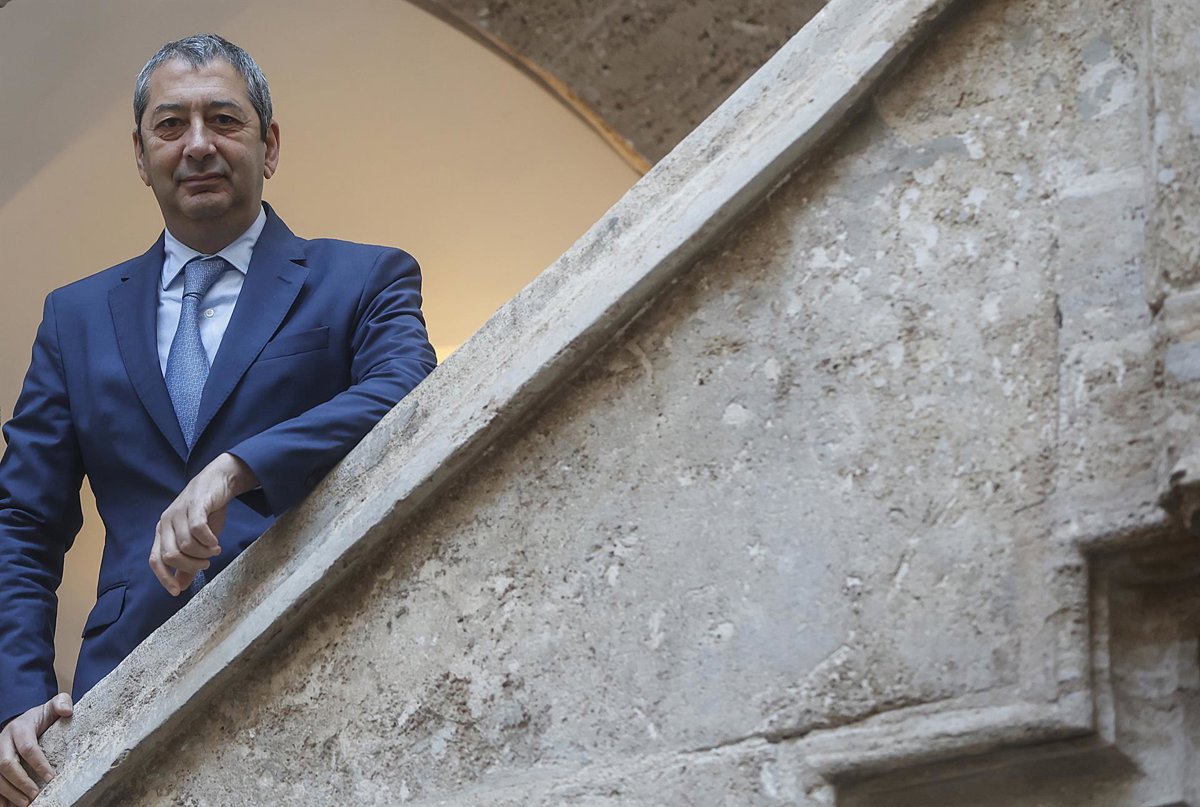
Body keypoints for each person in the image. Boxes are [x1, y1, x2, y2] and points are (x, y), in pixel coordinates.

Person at [0, 34, 436, 806]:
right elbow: (23, 525)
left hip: (325, 656)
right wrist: (17, 695)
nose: (198, 144)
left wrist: (238, 467)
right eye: (171, 125)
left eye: (224, 120)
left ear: (270, 145)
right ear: (141, 156)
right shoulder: (74, 317)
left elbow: (407, 387)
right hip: (125, 686)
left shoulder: (364, 277)